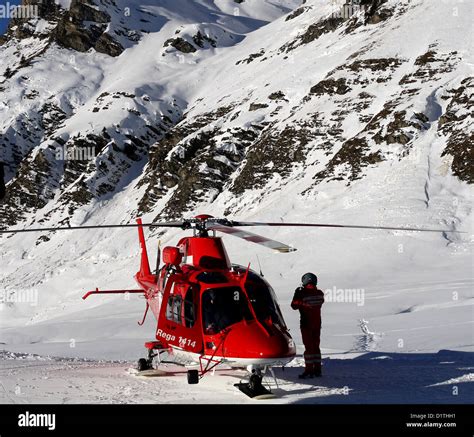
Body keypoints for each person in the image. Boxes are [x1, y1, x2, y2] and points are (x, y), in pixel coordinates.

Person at [291, 272, 324, 378]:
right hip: (317, 324)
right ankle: (317, 369)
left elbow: (294, 305)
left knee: (309, 348)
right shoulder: (319, 293)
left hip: (306, 324)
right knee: (316, 347)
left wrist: (297, 293)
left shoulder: (302, 294)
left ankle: (309, 370)